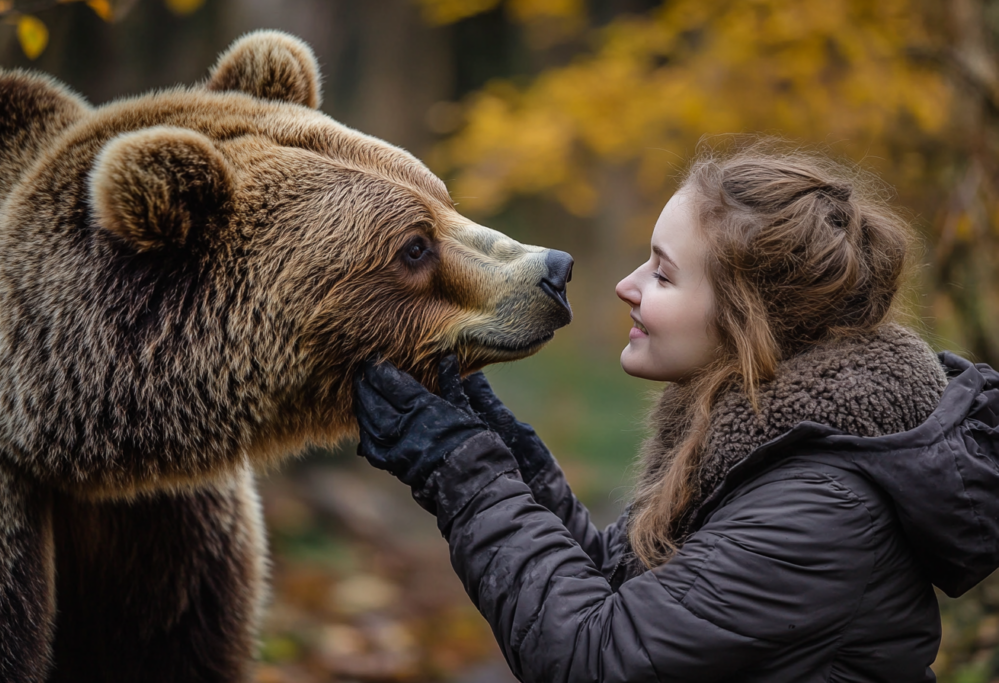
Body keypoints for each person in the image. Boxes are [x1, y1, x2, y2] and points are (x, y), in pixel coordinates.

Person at [352, 145, 999, 682]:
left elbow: (596, 656)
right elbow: (612, 588)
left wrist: (462, 472)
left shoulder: (823, 507)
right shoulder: (757, 441)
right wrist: (500, 446)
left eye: (662, 275)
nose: (626, 285)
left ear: (745, 318)